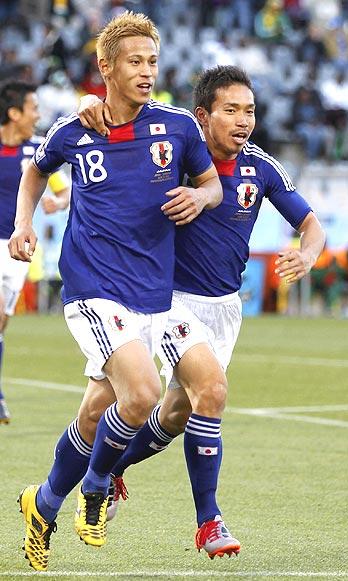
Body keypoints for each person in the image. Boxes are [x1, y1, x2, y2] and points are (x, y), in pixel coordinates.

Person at [76, 65, 325, 560]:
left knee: (174, 413)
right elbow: (121, 125)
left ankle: (110, 470)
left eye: (249, 110)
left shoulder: (262, 168)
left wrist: (307, 253)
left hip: (223, 309)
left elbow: (311, 223)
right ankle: (209, 522)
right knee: (210, 391)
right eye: (230, 110)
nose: (242, 121)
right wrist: (90, 111)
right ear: (202, 117)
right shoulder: (173, 158)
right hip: (168, 303)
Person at [8, 12, 222, 572]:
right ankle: (100, 482)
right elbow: (35, 171)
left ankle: (45, 502)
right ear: (106, 67)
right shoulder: (76, 128)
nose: (147, 71)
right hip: (93, 288)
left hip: (155, 292)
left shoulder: (177, 127)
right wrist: (22, 224)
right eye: (135, 61)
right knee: (145, 393)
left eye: (152, 61)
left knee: (100, 408)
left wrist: (199, 200)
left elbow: (212, 183)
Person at [0, 79, 70, 424]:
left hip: (15, 250)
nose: (38, 114)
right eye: (33, 108)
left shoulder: (38, 150)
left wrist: (58, 200)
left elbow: (64, 189)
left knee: (1, 324)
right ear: (14, 113)